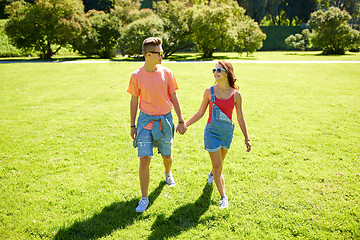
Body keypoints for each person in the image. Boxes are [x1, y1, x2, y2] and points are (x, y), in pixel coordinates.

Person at [127, 37, 187, 213]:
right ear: (148, 54)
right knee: (144, 158)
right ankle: (144, 198)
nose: (162, 55)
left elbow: (174, 96)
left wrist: (181, 120)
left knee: (167, 156)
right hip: (145, 120)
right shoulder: (136, 76)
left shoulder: (167, 73)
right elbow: (133, 101)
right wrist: (132, 125)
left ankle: (168, 173)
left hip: (165, 120)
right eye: (159, 53)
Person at [185, 61, 251, 209]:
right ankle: (223, 197)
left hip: (227, 133)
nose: (215, 72)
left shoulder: (236, 95)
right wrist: (185, 124)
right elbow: (200, 113)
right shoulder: (209, 92)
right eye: (214, 69)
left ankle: (212, 174)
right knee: (218, 166)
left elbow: (240, 117)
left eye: (219, 70)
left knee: (218, 164)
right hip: (212, 133)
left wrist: (246, 138)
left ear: (227, 72)